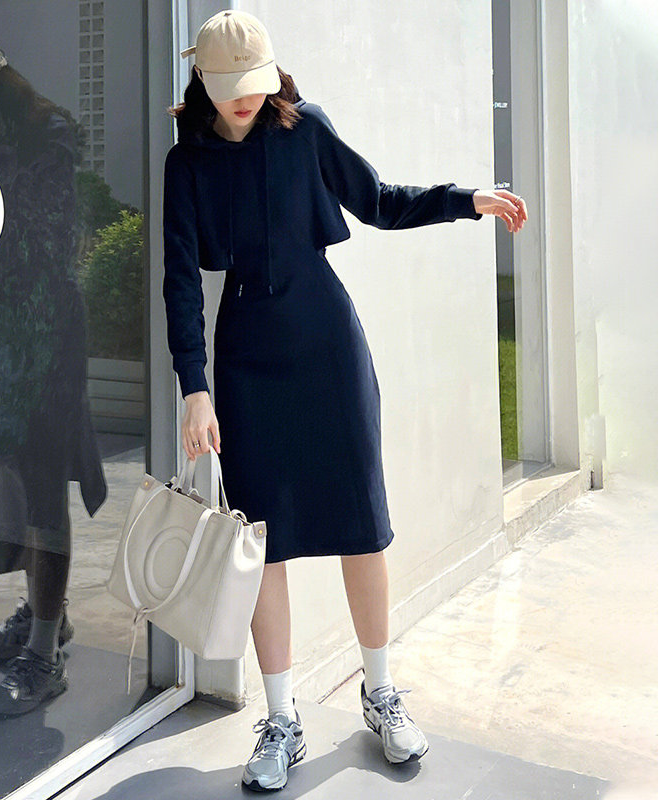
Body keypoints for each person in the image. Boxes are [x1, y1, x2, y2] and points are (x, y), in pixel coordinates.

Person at [162, 9, 528, 792]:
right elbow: (180, 281)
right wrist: (195, 388)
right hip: (247, 363)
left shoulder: (305, 129)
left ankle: (381, 691)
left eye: (256, 84)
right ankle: (282, 719)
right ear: (204, 82)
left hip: (329, 350)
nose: (247, 98)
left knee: (362, 524)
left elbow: (380, 200)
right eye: (232, 87)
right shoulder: (185, 163)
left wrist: (466, 199)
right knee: (263, 542)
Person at [0, 34, 107, 717]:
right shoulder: (3, 141)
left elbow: (40, 246)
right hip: (20, 324)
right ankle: (47, 615)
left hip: (48, 332)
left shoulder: (47, 136)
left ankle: (44, 655)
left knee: (43, 489)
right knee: (22, 476)